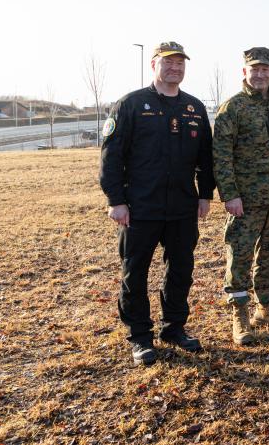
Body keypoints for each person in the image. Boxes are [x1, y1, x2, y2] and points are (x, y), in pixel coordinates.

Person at [99, 41, 214, 366]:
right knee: (134, 272)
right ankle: (140, 336)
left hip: (182, 206)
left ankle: (173, 327)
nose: (174, 68)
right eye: (168, 63)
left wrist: (205, 193)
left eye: (180, 63)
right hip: (140, 207)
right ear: (154, 65)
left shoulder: (193, 108)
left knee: (180, 270)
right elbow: (111, 157)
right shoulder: (131, 105)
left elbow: (206, 156)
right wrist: (116, 200)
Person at [213, 47, 269, 346]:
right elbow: (221, 156)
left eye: (265, 69)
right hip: (246, 201)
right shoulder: (233, 108)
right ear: (245, 72)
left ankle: (266, 307)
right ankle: (239, 315)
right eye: (255, 69)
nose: (260, 74)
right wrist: (230, 195)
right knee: (240, 255)